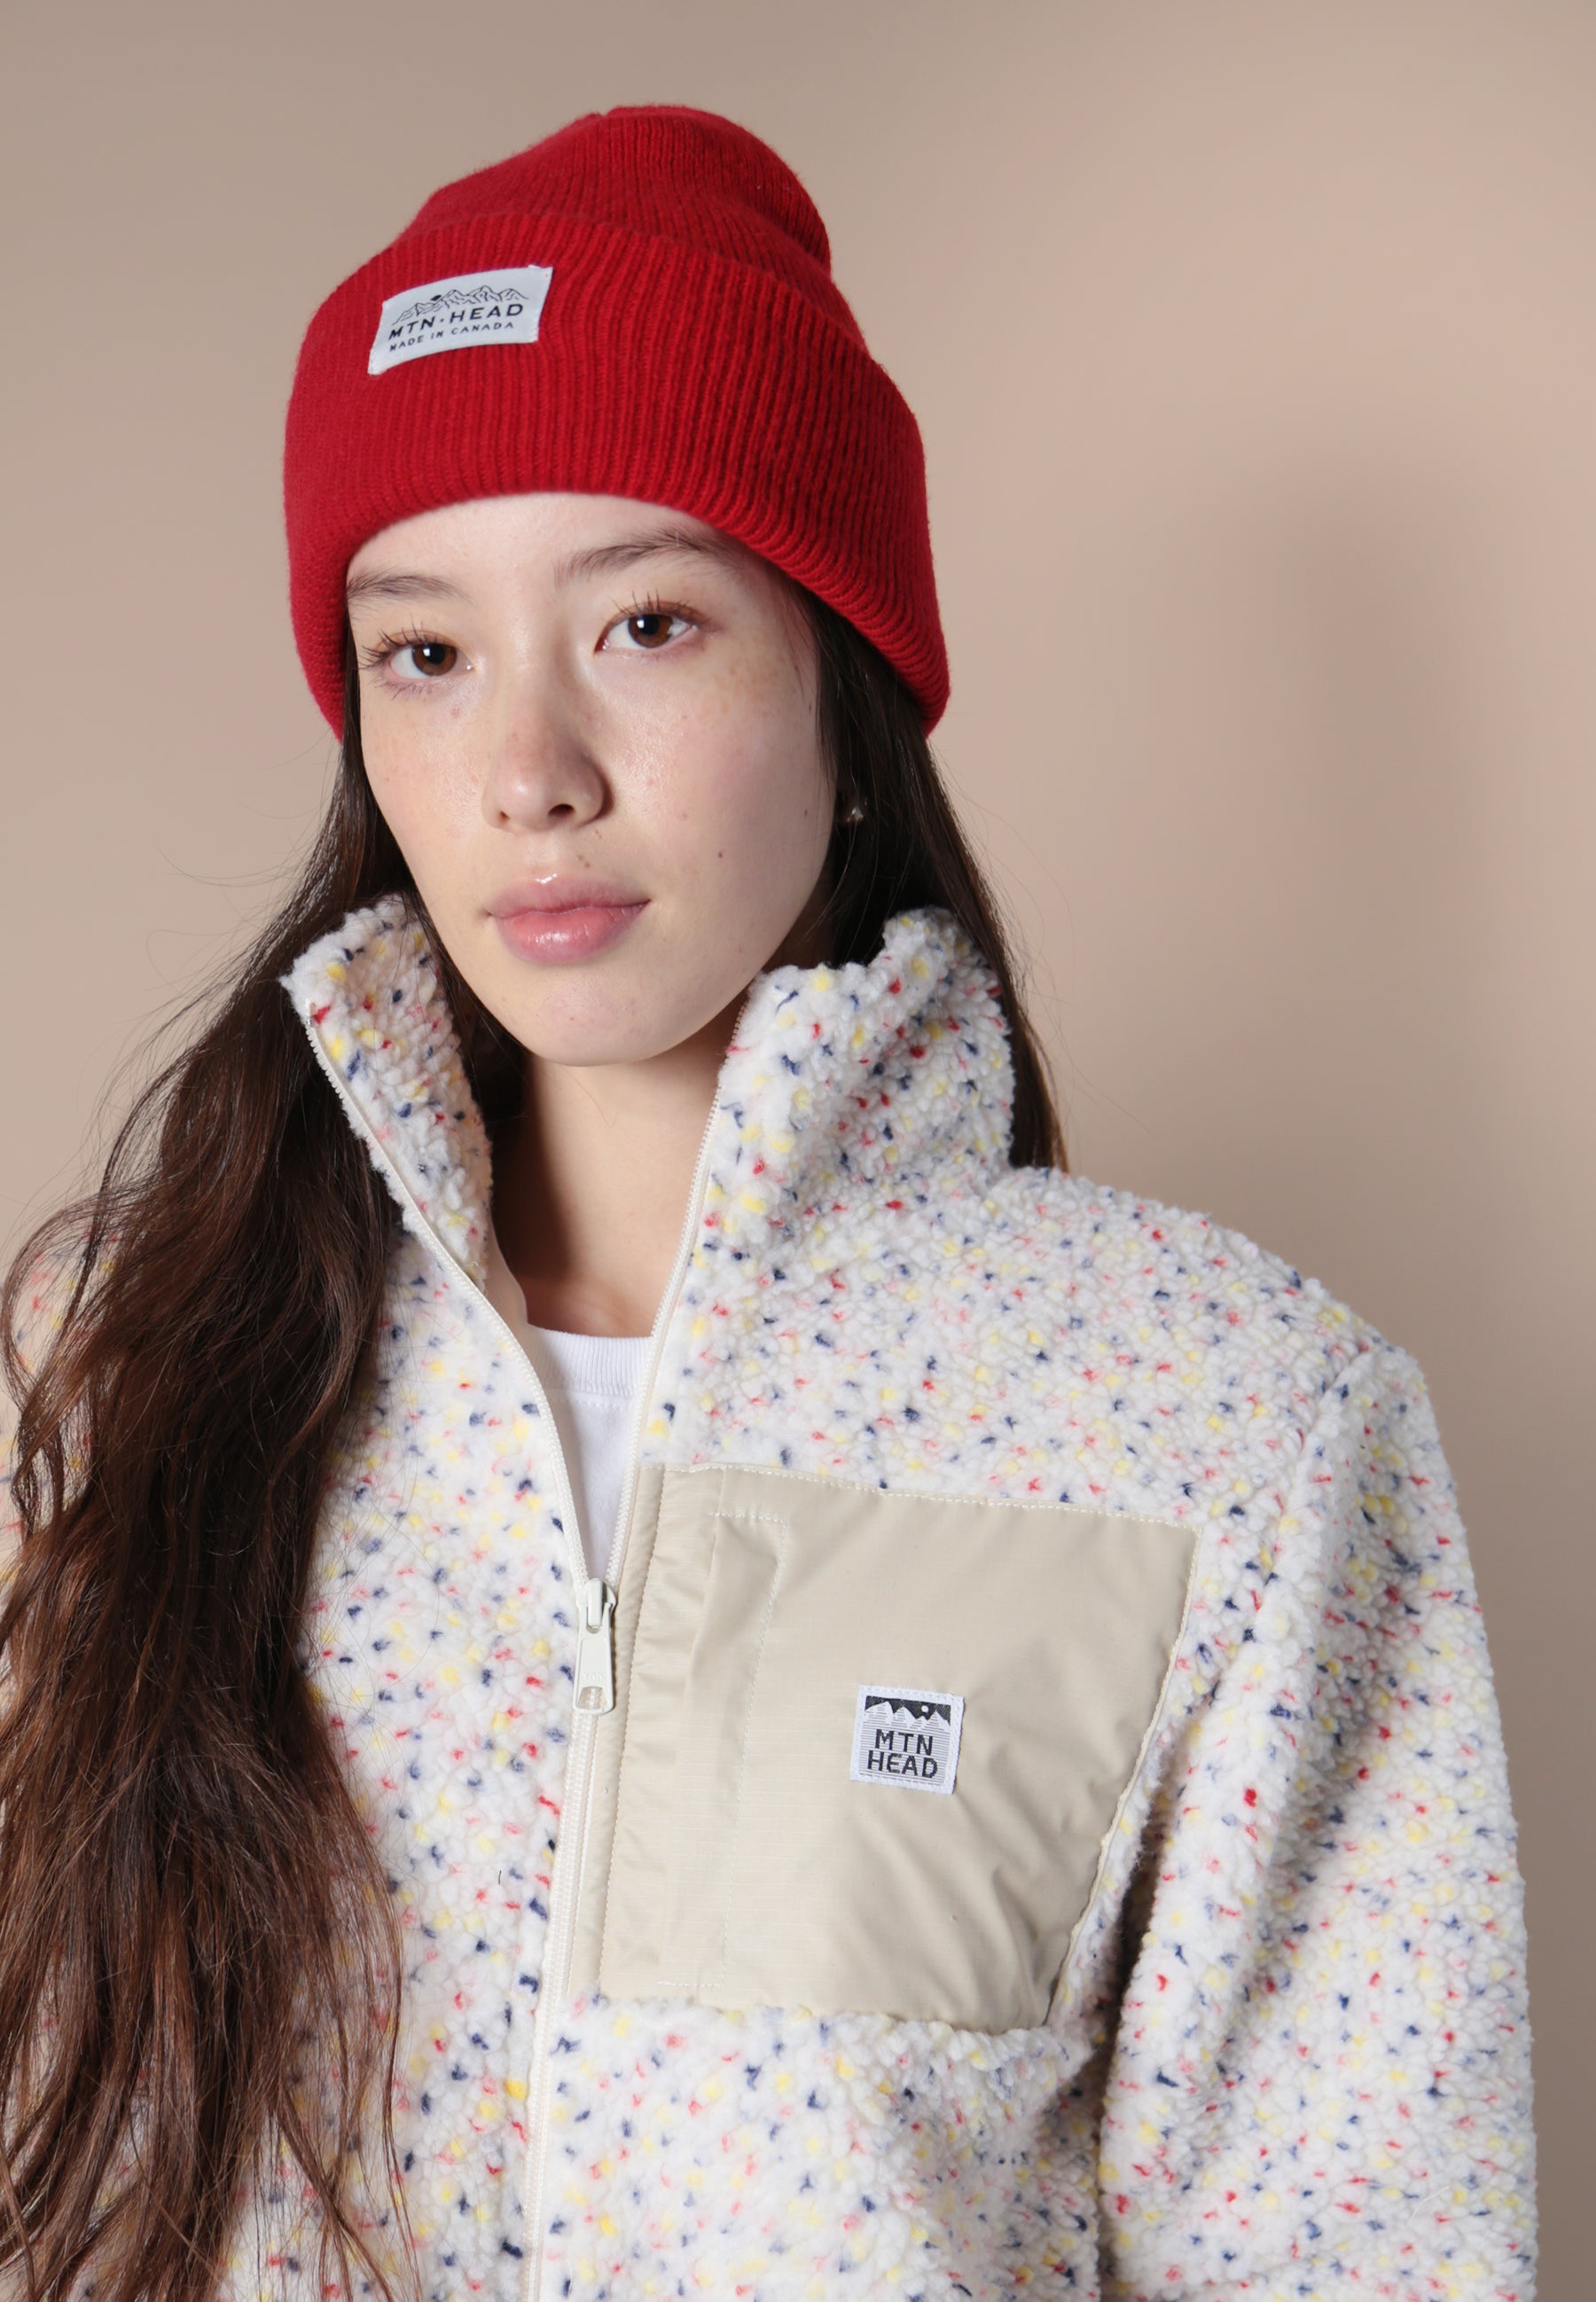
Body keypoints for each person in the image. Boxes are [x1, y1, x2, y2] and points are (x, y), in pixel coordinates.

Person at [0, 103, 1533, 2302]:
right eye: (425, 651)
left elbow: (1356, 2254)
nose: (529, 768)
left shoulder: (1230, 1417)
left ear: (843, 668)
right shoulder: (112, 1358)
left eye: (645, 621)